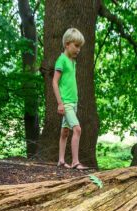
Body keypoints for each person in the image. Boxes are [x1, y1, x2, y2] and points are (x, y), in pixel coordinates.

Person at [53, 28, 88, 170]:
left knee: (65, 132)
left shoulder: (72, 61)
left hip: (73, 103)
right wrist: (60, 103)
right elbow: (54, 82)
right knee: (77, 129)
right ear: (67, 44)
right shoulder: (61, 60)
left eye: (80, 47)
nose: (78, 49)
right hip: (66, 103)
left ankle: (61, 160)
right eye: (76, 46)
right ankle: (75, 162)